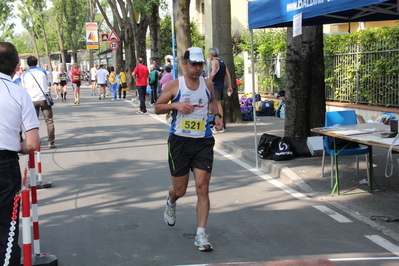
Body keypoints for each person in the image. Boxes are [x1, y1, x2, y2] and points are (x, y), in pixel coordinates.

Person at [154, 47, 223, 252]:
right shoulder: (176, 85)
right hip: (179, 142)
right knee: (181, 190)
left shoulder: (207, 83)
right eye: (194, 64)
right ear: (184, 64)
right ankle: (171, 201)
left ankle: (201, 234)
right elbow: (157, 106)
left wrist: (217, 116)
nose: (198, 68)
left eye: (201, 64)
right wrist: (175, 106)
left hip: (203, 141)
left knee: (202, 187)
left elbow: (211, 102)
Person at [0, 42, 40, 265]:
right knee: (7, 228)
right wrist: (15, 144)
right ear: (16, 67)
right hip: (5, 164)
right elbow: (32, 143)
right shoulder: (18, 93)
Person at [22, 56, 56, 149]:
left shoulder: (24, 74)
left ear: (27, 64)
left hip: (31, 100)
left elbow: (23, 88)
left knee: (33, 122)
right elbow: (48, 82)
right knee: (49, 121)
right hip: (43, 99)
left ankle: (36, 141)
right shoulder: (42, 71)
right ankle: (51, 142)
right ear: (37, 62)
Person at [208, 47, 233, 133]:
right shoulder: (223, 62)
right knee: (219, 104)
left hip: (215, 86)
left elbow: (213, 73)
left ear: (211, 55)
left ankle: (219, 124)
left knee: (217, 104)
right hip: (221, 85)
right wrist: (230, 86)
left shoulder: (215, 62)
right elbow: (228, 75)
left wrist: (207, 81)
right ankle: (220, 123)